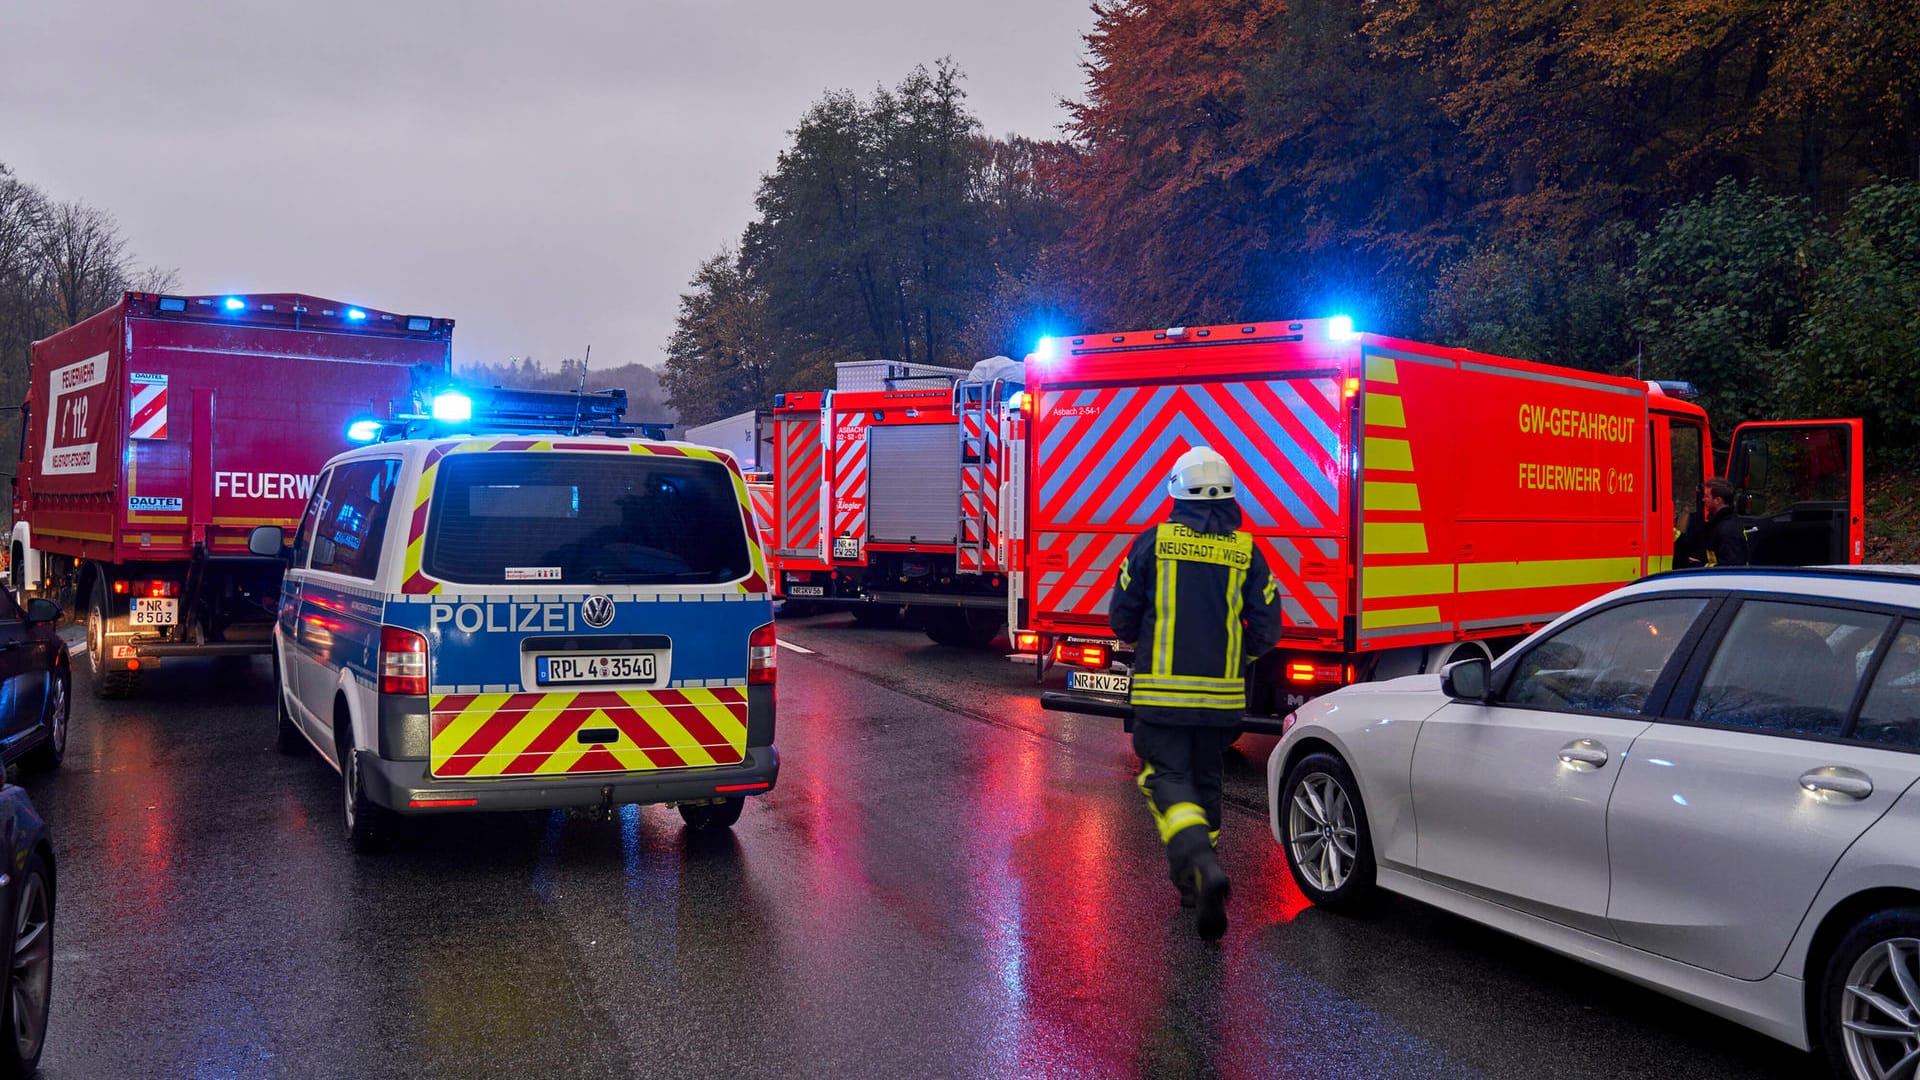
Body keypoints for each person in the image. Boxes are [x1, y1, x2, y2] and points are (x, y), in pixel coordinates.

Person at [1108, 446, 1283, 941]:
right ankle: (1194, 883)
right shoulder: (1247, 552)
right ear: (1230, 497)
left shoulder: (1152, 544)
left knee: (1165, 778)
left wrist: (1142, 641)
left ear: (1176, 492)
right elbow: (1268, 629)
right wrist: (1233, 658)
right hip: (1223, 704)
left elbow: (1121, 614)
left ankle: (1200, 863)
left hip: (1161, 698)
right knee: (1206, 784)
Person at [1675, 477, 1752, 568]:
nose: (1703, 500)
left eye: (1707, 496)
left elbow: (1731, 570)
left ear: (1718, 500)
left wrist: (1700, 566)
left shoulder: (1728, 530)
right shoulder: (1716, 523)